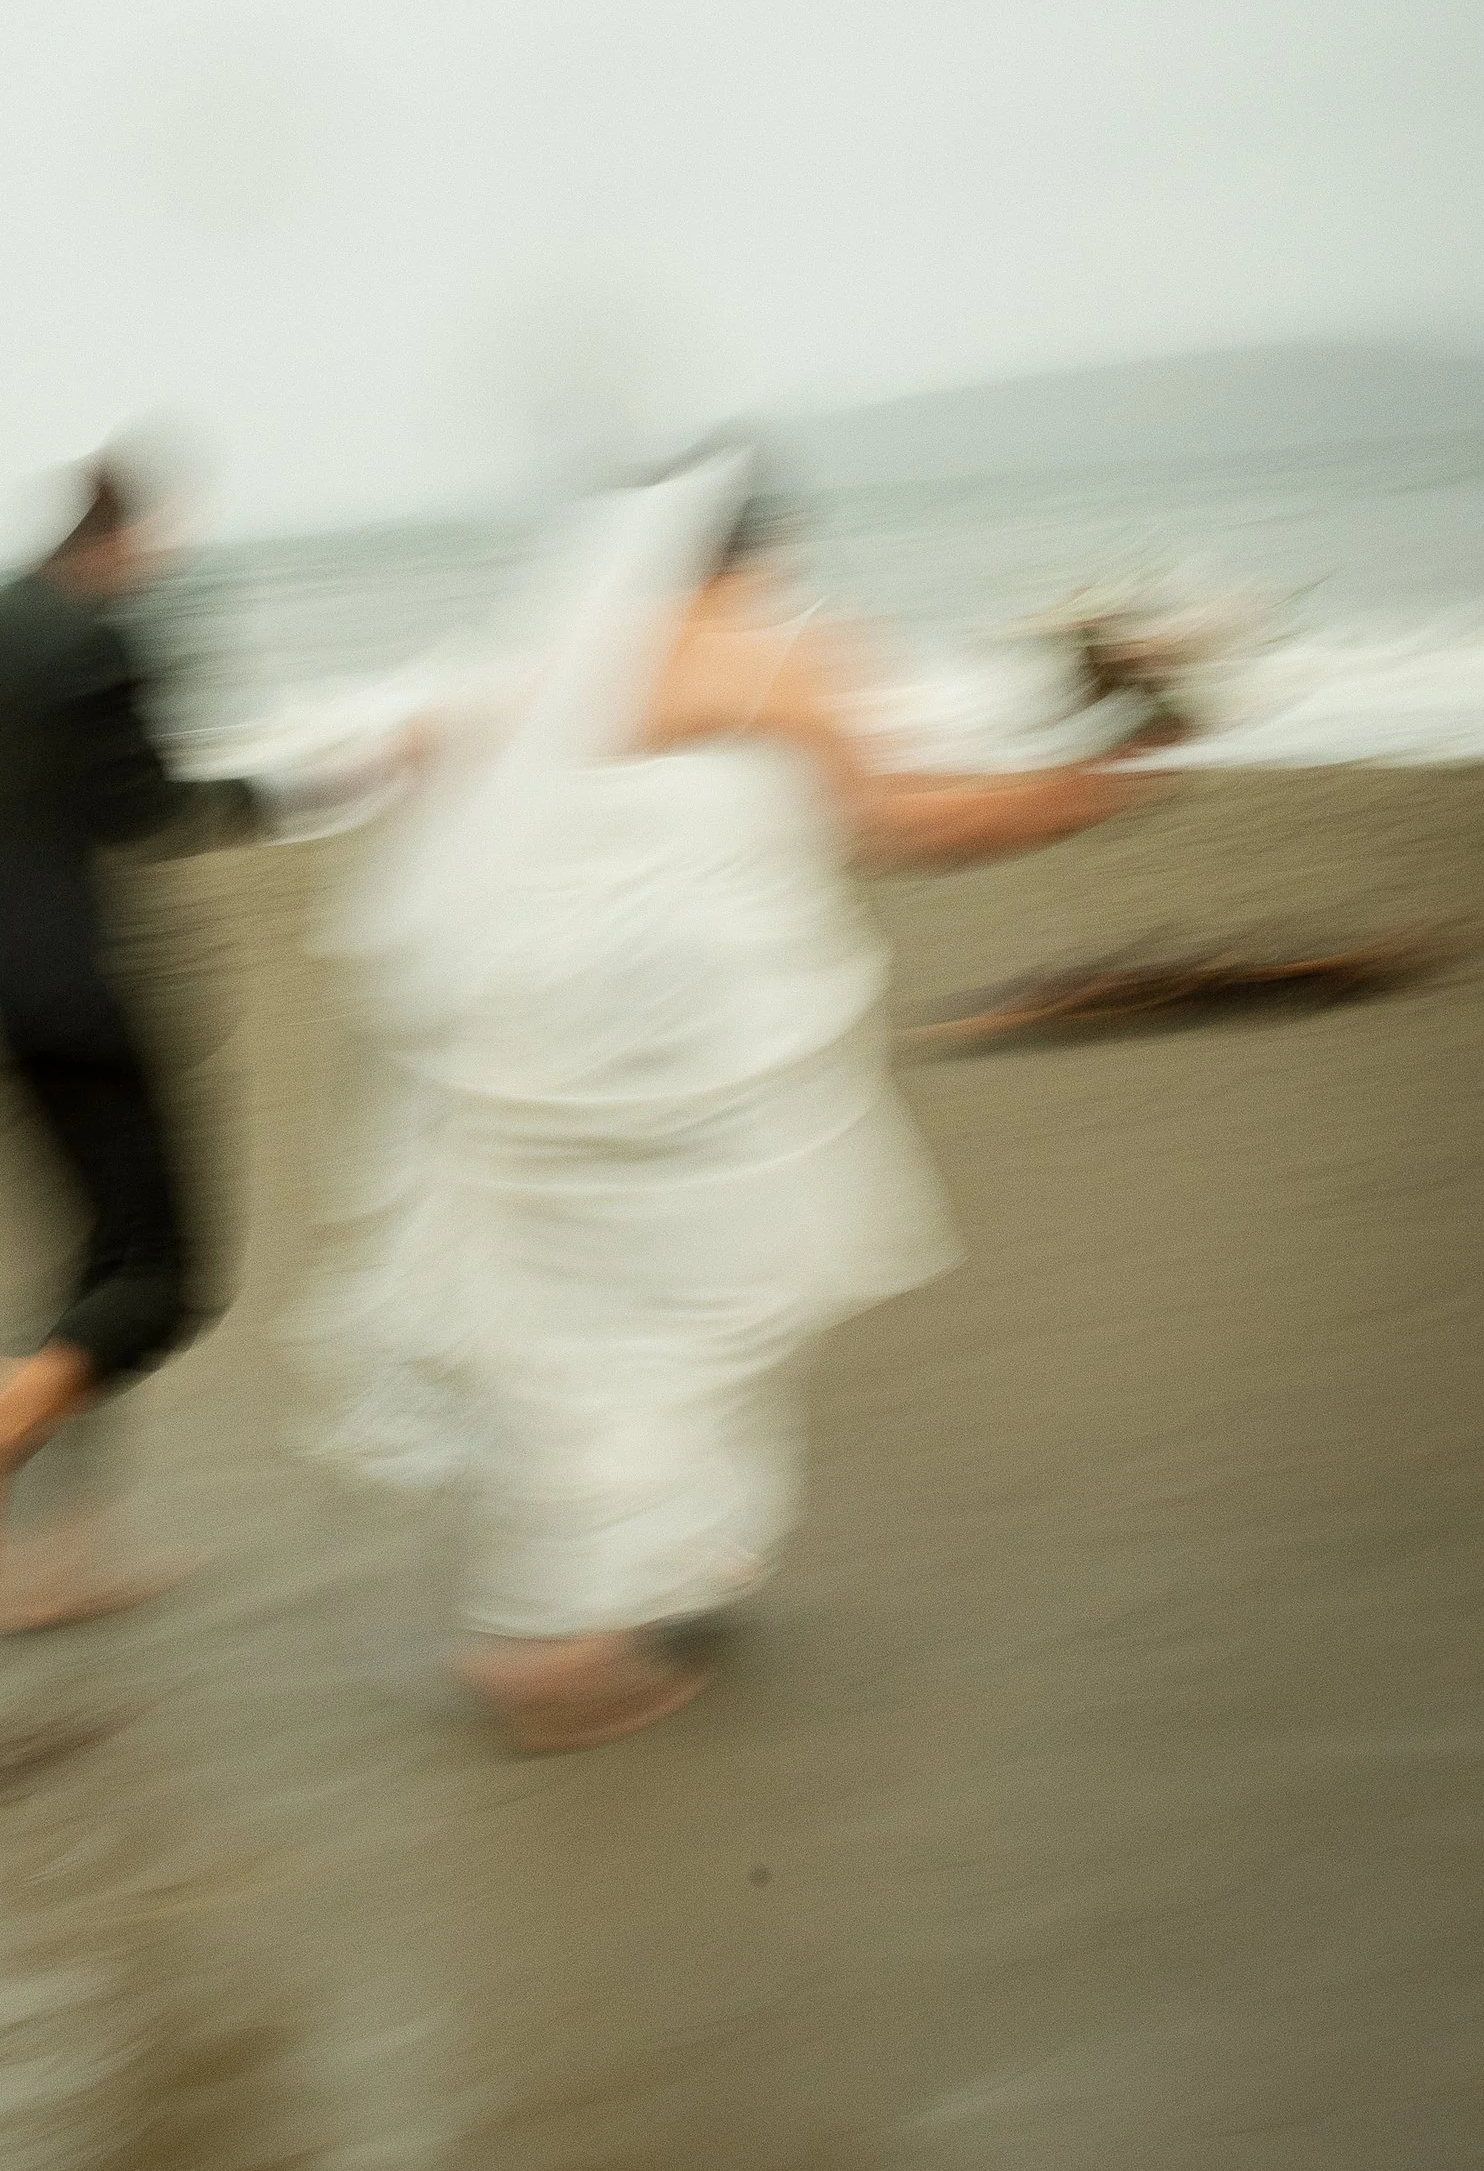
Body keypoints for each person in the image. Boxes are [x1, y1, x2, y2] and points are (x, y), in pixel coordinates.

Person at [294, 445, 1165, 1753]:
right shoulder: (776, 652)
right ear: (752, 549)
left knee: (591, 1317)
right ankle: (551, 1643)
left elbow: (406, 754)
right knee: (695, 1312)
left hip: (534, 1060)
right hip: (695, 1065)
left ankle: (681, 1556)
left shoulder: (539, 668)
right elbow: (908, 823)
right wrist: (1103, 779)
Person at [0, 454, 262, 1621]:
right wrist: (293, 791)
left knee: (86, 1270)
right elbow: (149, 809)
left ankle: (57, 1558)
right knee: (164, 1280)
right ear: (116, 537)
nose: (156, 564)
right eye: (155, 541)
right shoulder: (97, 636)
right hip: (85, 982)